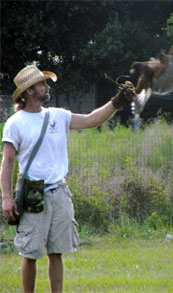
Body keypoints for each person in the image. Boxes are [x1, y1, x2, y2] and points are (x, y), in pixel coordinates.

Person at [0, 65, 135, 293]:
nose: (46, 87)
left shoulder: (58, 116)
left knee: (56, 252)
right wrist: (6, 198)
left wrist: (117, 102)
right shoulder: (16, 123)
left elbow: (92, 119)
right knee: (31, 253)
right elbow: (8, 162)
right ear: (30, 91)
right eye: (42, 84)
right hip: (33, 191)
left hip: (60, 191)